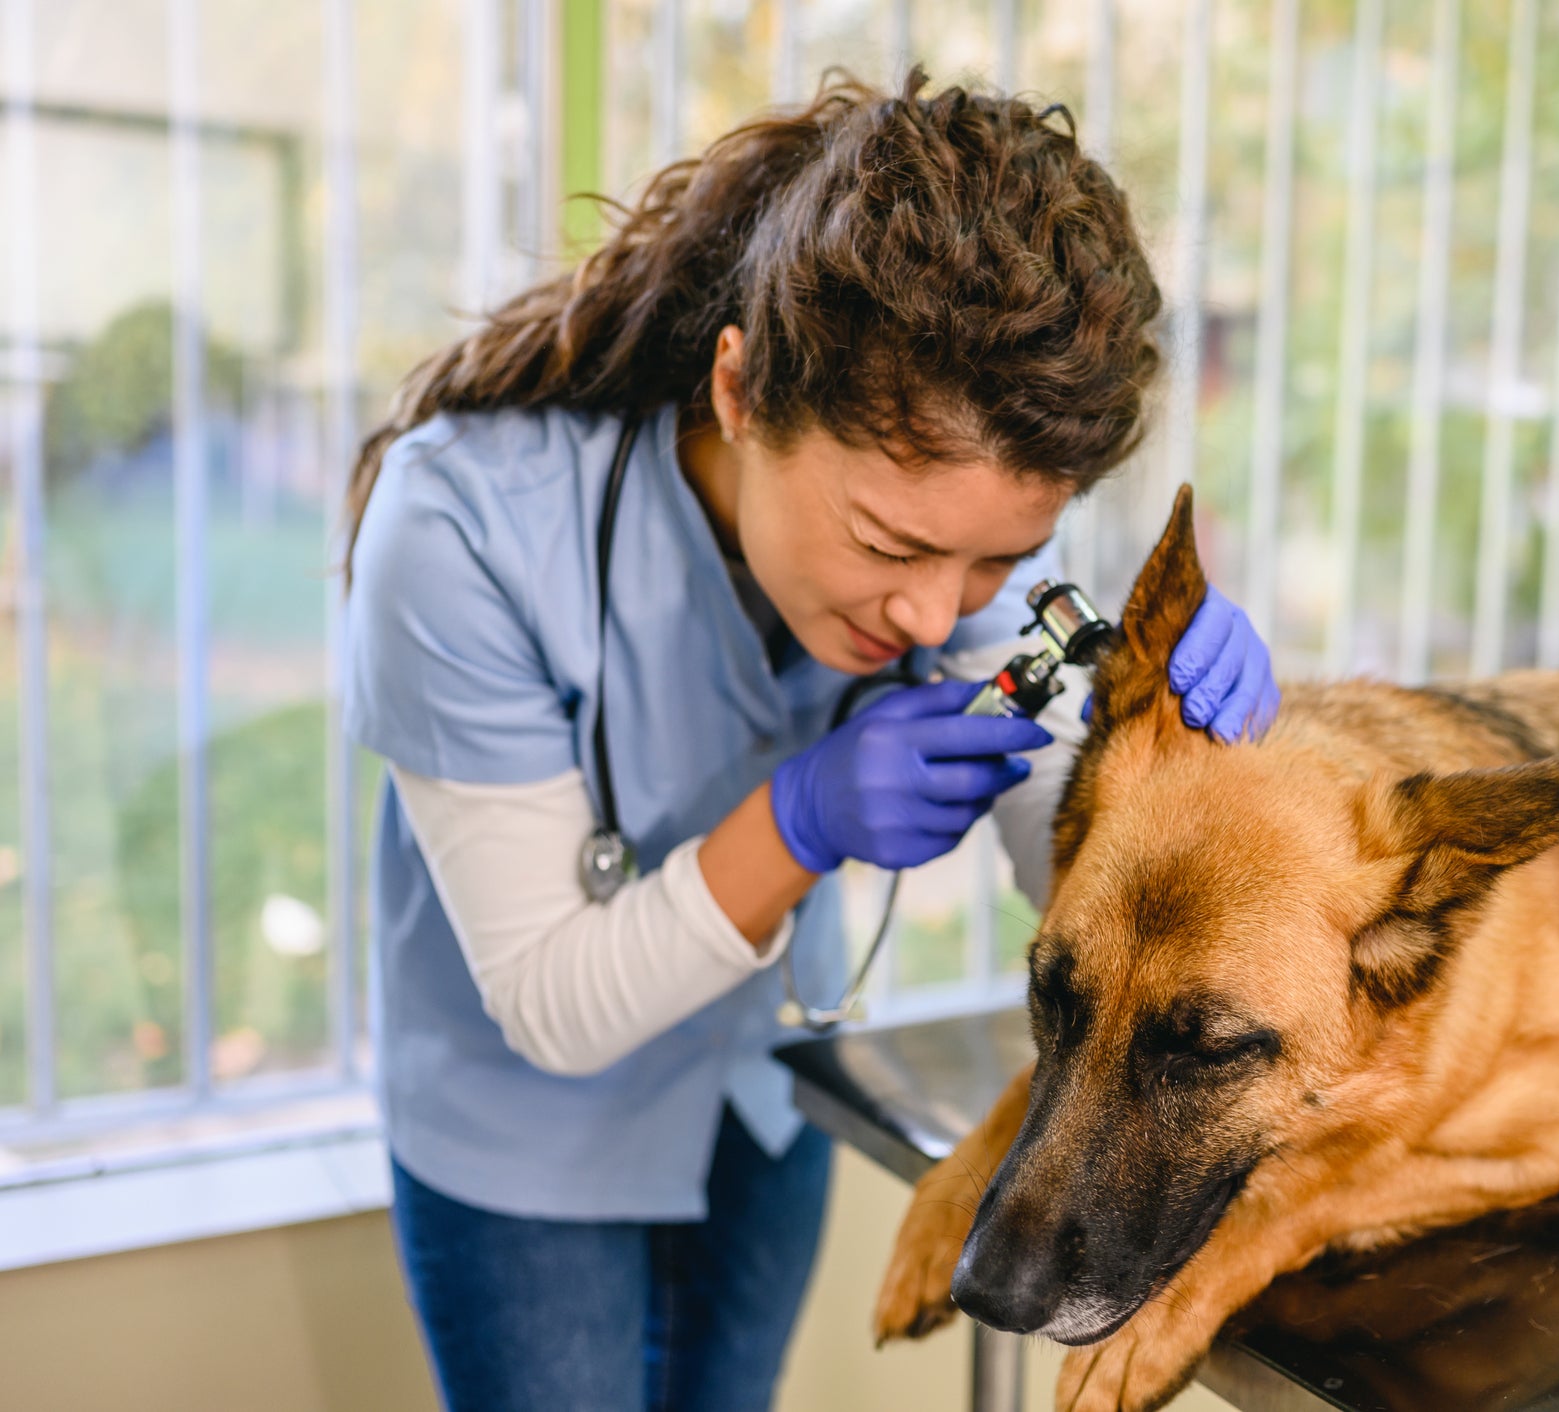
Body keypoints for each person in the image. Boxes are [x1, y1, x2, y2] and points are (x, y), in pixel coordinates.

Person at [341, 71, 1278, 1412]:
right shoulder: (458, 535)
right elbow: (552, 999)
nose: (930, 611)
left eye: (1000, 559)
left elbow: (1050, 858)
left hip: (759, 1096)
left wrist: (1164, 761)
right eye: (888, 543)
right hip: (524, 1145)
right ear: (737, 389)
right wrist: (797, 824)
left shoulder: (961, 543)